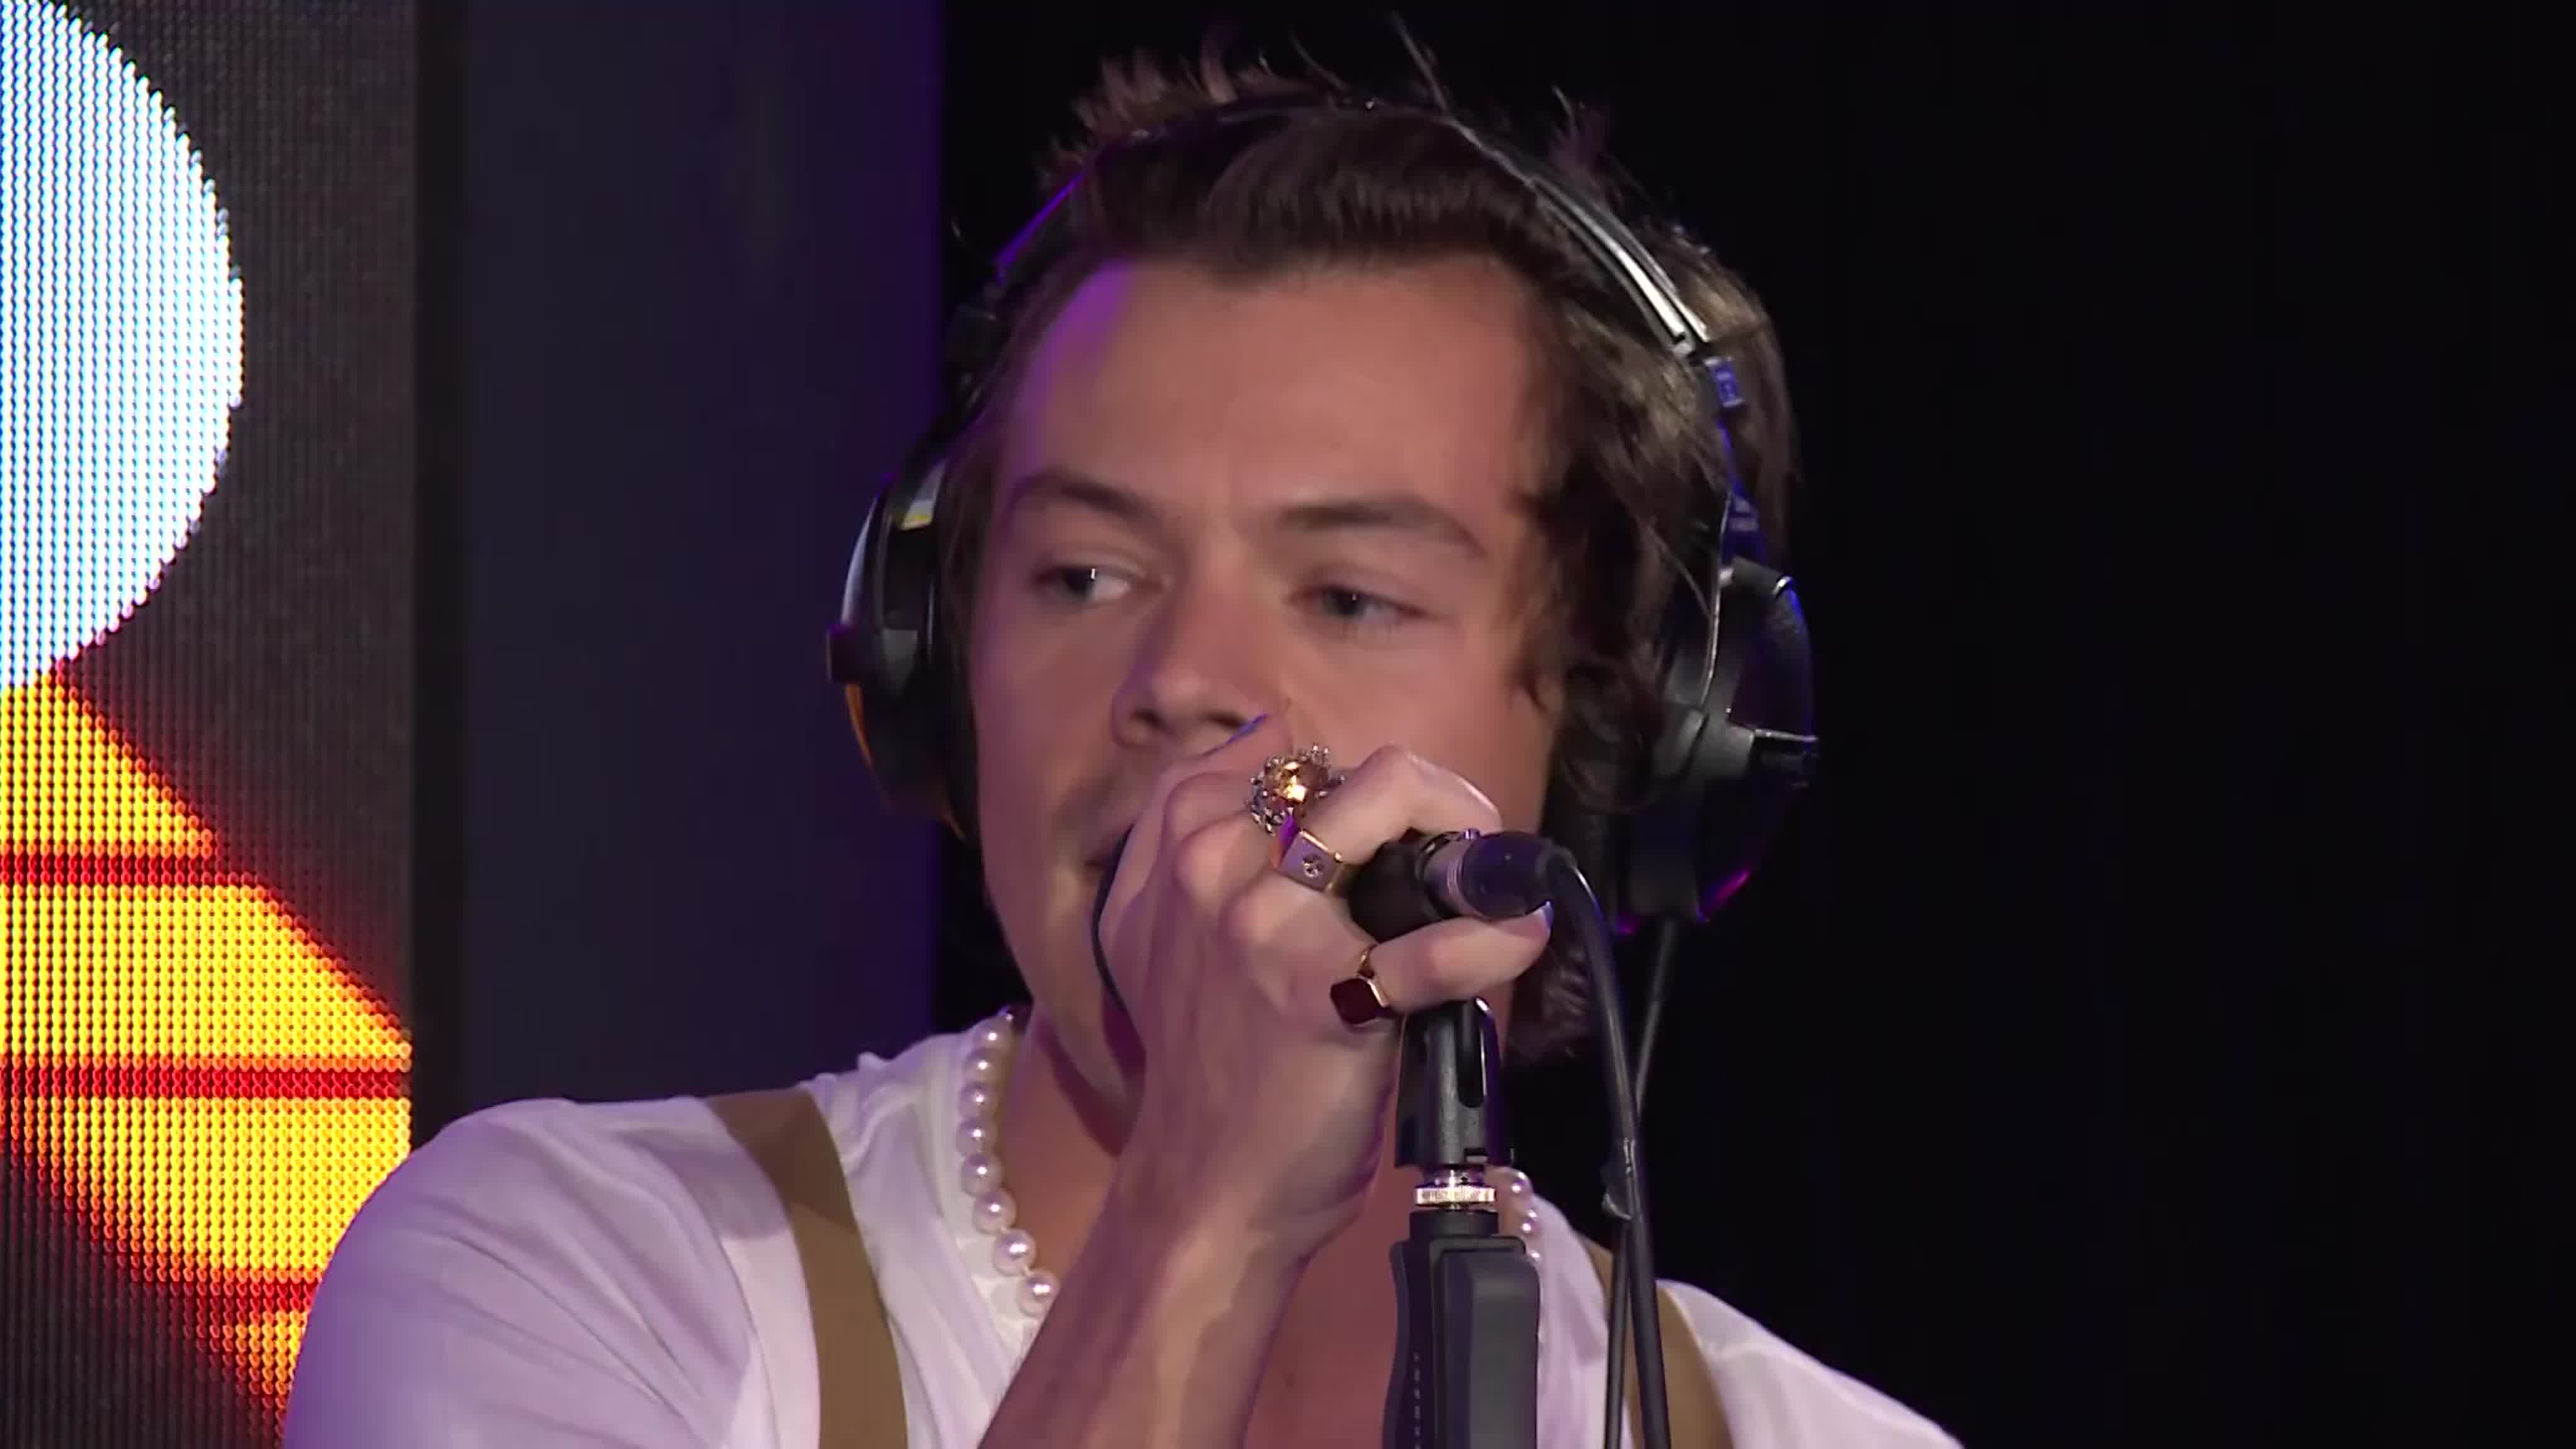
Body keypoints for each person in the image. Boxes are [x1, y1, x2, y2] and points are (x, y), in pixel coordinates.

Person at [286, 45, 1958, 1449]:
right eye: (1086, 574)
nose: (1182, 682)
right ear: (938, 661)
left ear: (1614, 727)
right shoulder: (569, 1286)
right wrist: (1204, 1215)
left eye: (1349, 596)